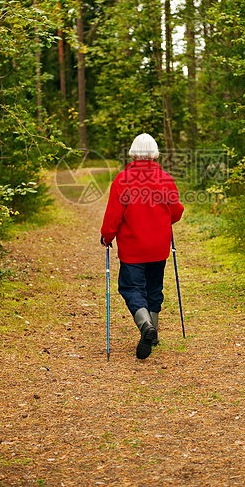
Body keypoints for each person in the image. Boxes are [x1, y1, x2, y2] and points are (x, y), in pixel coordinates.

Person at [100, 133, 184, 360]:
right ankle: (153, 334)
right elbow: (176, 211)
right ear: (155, 152)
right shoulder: (165, 178)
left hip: (133, 249)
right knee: (154, 288)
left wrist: (107, 236)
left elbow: (113, 216)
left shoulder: (122, 179)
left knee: (131, 288)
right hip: (159, 247)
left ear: (133, 152)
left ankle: (146, 326)